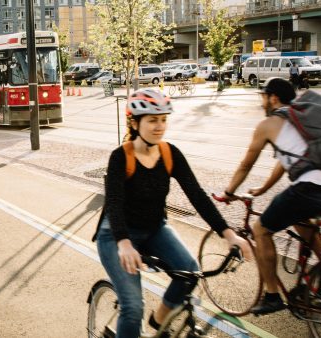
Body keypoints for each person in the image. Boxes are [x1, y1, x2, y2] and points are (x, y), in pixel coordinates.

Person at [93, 89, 251, 337]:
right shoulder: (121, 157)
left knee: (189, 271)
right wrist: (124, 243)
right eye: (152, 120)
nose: (160, 126)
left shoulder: (169, 154)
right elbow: (113, 202)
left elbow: (197, 196)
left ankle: (158, 321)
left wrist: (228, 234)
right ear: (135, 123)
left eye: (164, 119)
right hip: (116, 236)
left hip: (154, 229)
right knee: (133, 307)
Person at [221, 78, 321, 315]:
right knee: (300, 217)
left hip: (313, 189)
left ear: (273, 97)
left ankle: (272, 295)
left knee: (261, 230)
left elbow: (245, 165)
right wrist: (262, 189)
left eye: (263, 96)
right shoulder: (304, 119)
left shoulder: (269, 124)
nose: (262, 101)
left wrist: (229, 192)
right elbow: (286, 162)